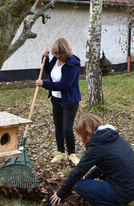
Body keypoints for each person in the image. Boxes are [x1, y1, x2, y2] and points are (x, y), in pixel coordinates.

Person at [50, 114, 134, 206]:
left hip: (127, 191)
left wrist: (61, 193)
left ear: (86, 133)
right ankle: (120, 197)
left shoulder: (96, 147)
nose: (80, 139)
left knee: (79, 185)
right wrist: (88, 179)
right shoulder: (114, 137)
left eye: (80, 135)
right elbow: (105, 166)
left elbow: (77, 172)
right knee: (97, 177)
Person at [35, 37, 81, 165]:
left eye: (60, 54)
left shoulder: (72, 64)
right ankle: (61, 151)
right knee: (58, 127)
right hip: (56, 99)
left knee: (67, 128)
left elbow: (64, 85)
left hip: (69, 101)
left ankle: (72, 153)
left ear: (66, 51)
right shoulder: (56, 59)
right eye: (55, 53)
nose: (58, 56)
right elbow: (49, 70)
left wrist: (44, 84)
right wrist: (44, 58)